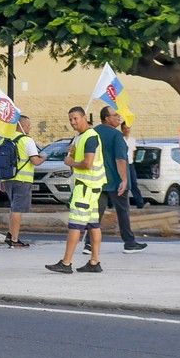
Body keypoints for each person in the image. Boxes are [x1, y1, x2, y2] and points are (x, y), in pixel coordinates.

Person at [46, 106, 106, 274]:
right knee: (94, 225)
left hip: (85, 187)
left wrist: (70, 162)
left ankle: (66, 263)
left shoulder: (90, 137)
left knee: (75, 225)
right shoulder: (81, 137)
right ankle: (94, 262)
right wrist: (71, 154)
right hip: (92, 187)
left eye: (75, 118)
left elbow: (88, 163)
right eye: (70, 119)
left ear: (84, 117)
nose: (72, 122)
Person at [92, 106, 146, 253]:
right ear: (106, 118)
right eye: (115, 115)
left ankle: (89, 244)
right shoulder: (116, 135)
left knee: (96, 214)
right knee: (123, 212)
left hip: (98, 179)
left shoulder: (93, 132)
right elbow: (120, 159)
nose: (119, 118)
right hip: (116, 181)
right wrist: (124, 179)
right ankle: (129, 242)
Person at [1, 114, 45, 247]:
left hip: (8, 179)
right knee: (17, 209)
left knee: (13, 207)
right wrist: (43, 157)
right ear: (21, 125)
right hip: (22, 180)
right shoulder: (27, 140)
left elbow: (1, 162)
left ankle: (10, 233)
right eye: (28, 125)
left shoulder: (4, 140)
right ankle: (14, 239)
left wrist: (1, 179)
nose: (30, 127)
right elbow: (35, 161)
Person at [122, 121, 145, 208]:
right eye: (125, 128)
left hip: (130, 164)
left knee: (134, 183)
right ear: (122, 129)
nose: (127, 130)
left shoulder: (132, 140)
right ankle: (113, 203)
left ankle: (140, 203)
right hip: (122, 164)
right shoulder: (120, 139)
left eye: (128, 128)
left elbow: (133, 152)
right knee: (122, 183)